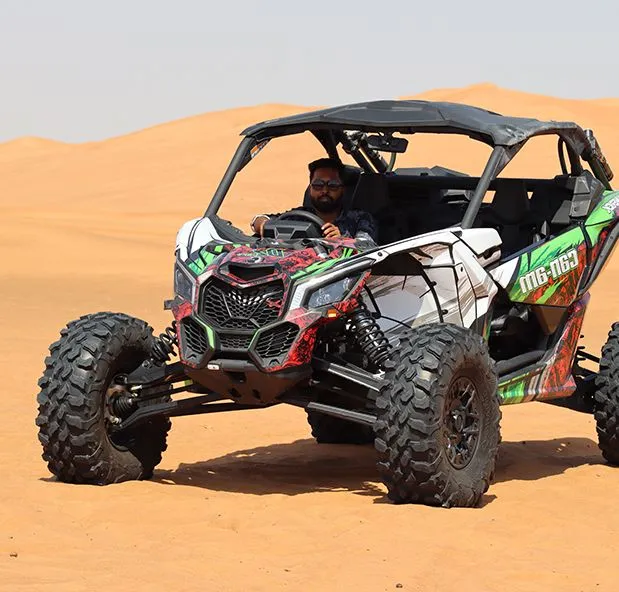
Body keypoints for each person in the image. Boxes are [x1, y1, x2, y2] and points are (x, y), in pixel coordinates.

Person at [250, 158, 378, 244]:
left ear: (342, 189)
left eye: (332, 185)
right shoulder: (298, 217)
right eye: (318, 185)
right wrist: (261, 224)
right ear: (310, 188)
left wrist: (342, 241)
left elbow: (367, 247)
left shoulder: (359, 219)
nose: (325, 190)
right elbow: (261, 219)